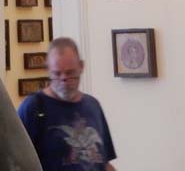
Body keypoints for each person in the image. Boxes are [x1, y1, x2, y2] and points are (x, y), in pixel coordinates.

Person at [17, 37, 117, 171]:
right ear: (48, 70)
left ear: (81, 67)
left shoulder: (93, 106)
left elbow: (104, 164)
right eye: (57, 73)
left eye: (70, 73)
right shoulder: (33, 107)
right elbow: (15, 162)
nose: (63, 79)